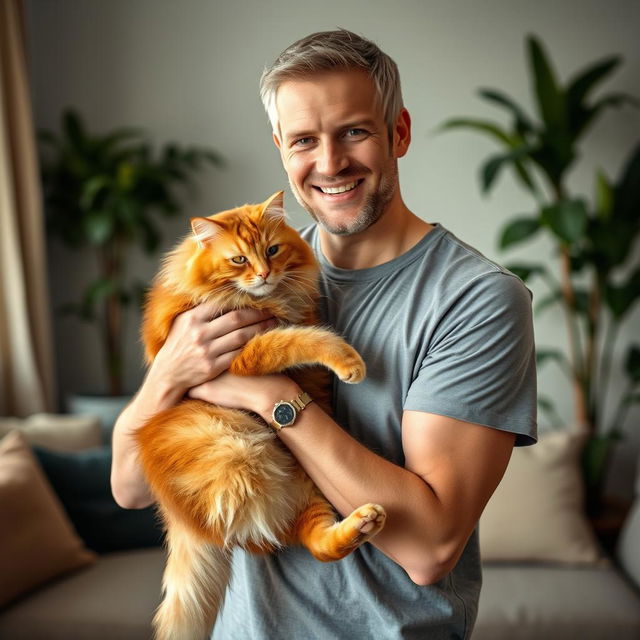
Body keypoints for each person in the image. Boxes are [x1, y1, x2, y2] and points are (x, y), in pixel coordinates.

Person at [111, 29, 537, 639]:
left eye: (355, 131)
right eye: (305, 139)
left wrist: (267, 396)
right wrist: (170, 377)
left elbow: (430, 547)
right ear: (282, 147)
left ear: (400, 133)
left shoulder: (475, 299)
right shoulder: (250, 275)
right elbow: (128, 485)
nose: (330, 163)